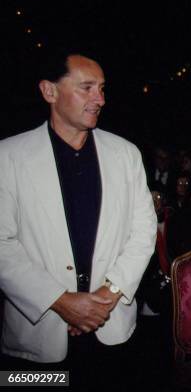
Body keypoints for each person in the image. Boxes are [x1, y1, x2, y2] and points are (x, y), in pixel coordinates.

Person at [0, 51, 157, 386]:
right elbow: (2, 244)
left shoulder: (126, 155)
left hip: (111, 328)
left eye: (102, 88)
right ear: (49, 91)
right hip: (38, 337)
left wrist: (109, 293)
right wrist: (60, 300)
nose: (99, 99)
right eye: (87, 88)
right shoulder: (8, 156)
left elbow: (143, 232)